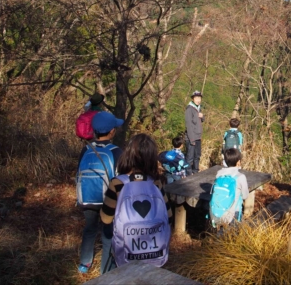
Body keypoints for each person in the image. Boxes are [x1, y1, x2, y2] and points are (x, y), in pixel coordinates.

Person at [100, 134, 172, 270]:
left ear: (127, 155)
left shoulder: (117, 183)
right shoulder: (156, 183)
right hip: (155, 256)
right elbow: (169, 217)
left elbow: (105, 219)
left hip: (126, 256)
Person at [76, 112, 123, 274]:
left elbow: (78, 173)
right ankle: (106, 270)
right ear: (112, 132)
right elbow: (120, 178)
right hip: (107, 199)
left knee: (89, 229)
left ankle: (84, 263)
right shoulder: (116, 151)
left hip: (87, 197)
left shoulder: (86, 149)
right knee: (108, 234)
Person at [210, 148, 249, 227]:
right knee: (233, 235)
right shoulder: (240, 177)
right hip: (234, 212)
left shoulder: (219, 174)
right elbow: (245, 196)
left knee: (222, 232)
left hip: (218, 211)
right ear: (238, 162)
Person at [184, 90, 204, 175]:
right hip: (191, 138)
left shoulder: (198, 108)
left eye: (199, 98)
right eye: (196, 98)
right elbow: (189, 125)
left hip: (198, 137)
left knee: (197, 156)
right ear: (193, 98)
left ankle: (196, 172)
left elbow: (201, 120)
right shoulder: (189, 109)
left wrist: (202, 116)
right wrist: (192, 139)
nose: (198, 100)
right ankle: (188, 174)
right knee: (190, 157)